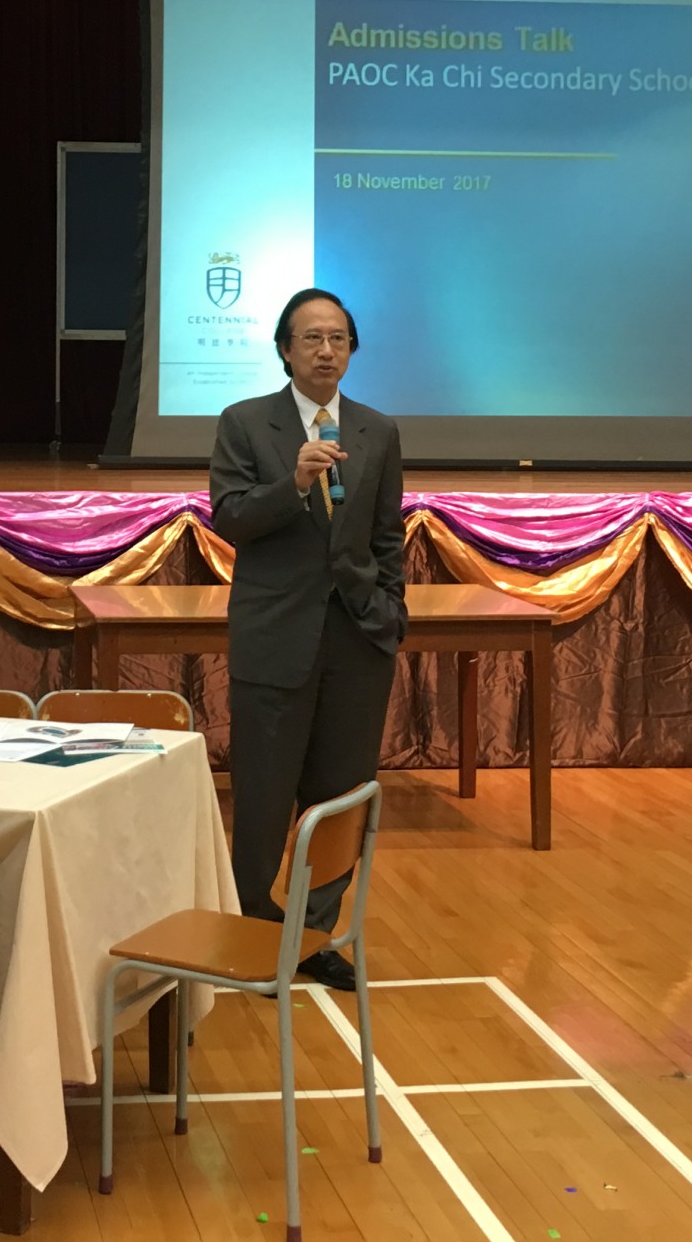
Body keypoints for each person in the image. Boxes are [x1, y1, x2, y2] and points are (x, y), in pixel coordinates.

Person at [209, 287, 406, 990]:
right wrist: (292, 484)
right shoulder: (245, 423)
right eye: (312, 339)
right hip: (275, 637)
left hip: (357, 640)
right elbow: (231, 518)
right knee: (264, 799)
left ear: (352, 350)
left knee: (338, 797)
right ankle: (258, 932)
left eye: (338, 339)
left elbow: (386, 534)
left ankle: (315, 935)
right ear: (285, 350)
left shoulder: (377, 430)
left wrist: (389, 612)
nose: (327, 351)